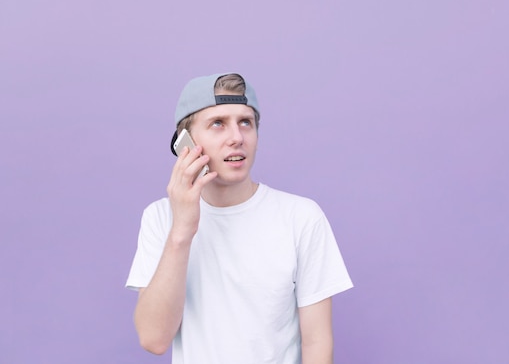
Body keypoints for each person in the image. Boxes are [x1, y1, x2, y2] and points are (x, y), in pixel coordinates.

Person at [125, 73, 353, 364]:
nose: (237, 137)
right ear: (186, 142)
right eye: (218, 123)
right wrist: (182, 229)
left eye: (246, 122)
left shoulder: (301, 217)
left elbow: (317, 342)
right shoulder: (160, 218)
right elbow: (153, 339)